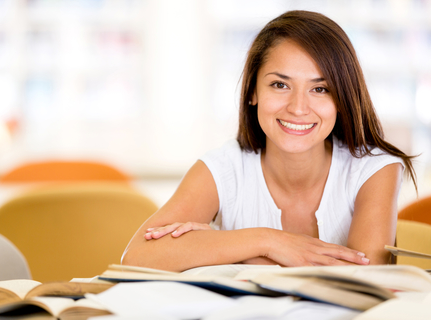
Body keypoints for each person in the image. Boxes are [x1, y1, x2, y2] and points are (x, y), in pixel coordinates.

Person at [121, 10, 417, 271]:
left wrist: (226, 250)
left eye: (320, 89)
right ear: (253, 91)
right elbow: (137, 256)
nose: (298, 107)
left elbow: (360, 278)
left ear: (342, 100)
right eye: (280, 84)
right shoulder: (223, 168)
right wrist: (266, 240)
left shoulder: (374, 170)